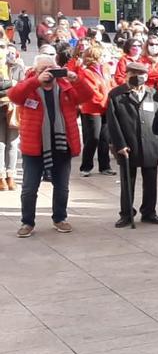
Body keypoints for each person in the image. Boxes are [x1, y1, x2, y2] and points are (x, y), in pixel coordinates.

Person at [9, 55, 96, 237]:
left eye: (51, 68)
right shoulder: (29, 86)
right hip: (34, 146)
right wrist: (35, 81)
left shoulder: (65, 86)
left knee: (62, 186)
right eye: (43, 69)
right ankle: (27, 222)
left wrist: (76, 79)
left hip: (61, 145)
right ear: (35, 70)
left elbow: (87, 96)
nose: (48, 73)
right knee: (29, 188)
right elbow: (14, 96)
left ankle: (60, 218)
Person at [106, 61, 158, 227]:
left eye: (142, 75)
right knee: (127, 181)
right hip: (127, 144)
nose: (138, 78)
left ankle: (149, 212)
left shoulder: (153, 93)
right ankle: (126, 213)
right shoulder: (116, 95)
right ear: (127, 75)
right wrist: (119, 144)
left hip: (150, 143)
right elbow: (112, 123)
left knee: (150, 180)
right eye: (133, 75)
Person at [69, 45, 115, 178]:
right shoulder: (87, 72)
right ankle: (86, 166)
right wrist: (104, 101)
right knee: (93, 138)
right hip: (92, 109)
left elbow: (110, 84)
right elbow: (91, 92)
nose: (103, 58)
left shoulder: (104, 70)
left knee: (104, 138)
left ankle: (105, 166)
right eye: (101, 56)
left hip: (105, 108)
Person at [0, 47, 27, 191]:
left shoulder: (18, 68)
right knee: (0, 143)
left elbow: (23, 87)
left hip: (14, 109)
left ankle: (10, 176)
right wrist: (11, 85)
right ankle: (1, 177)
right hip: (1, 108)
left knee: (13, 143)